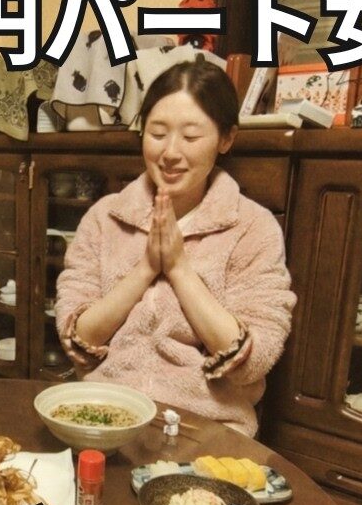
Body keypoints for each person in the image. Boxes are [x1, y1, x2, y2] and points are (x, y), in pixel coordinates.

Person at [55, 60, 295, 437]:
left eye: (191, 136)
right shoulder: (105, 217)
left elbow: (254, 361)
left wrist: (180, 268)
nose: (170, 152)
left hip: (206, 429)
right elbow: (78, 340)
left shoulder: (253, 227)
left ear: (226, 139)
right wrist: (145, 269)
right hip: (104, 415)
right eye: (157, 133)